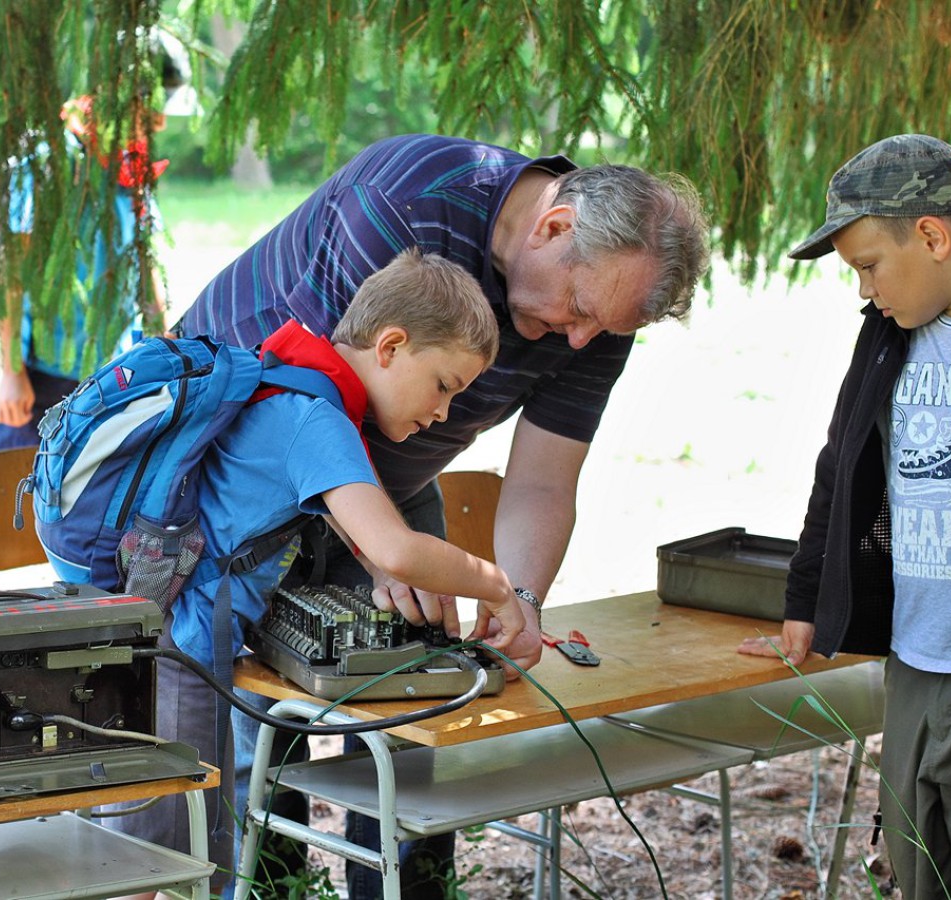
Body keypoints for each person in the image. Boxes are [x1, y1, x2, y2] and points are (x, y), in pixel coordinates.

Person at [178, 132, 710, 898]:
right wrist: (390, 554)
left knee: (417, 696)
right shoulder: (408, 202)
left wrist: (518, 600)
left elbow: (541, 482)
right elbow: (312, 402)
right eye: (579, 310)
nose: (581, 339)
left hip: (388, 483)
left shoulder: (598, 316)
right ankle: (265, 887)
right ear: (553, 227)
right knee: (261, 718)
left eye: (603, 329)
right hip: (247, 480)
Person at [111, 247, 527, 899]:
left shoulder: (296, 382)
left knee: (176, 849)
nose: (444, 413)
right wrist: (497, 587)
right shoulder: (317, 420)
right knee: (161, 858)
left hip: (165, 633)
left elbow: (358, 538)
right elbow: (396, 549)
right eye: (444, 385)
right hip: (180, 649)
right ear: (391, 346)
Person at [737, 134, 951, 898]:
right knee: (914, 861)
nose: (863, 290)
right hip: (914, 658)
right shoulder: (886, 335)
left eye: (867, 266)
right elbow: (841, 465)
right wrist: (804, 601)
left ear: (930, 236)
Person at [0, 30, 195, 593]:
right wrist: (11, 371)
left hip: (111, 375)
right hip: (43, 374)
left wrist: (167, 344)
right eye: (150, 108)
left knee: (97, 512)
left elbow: (143, 263)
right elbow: (12, 272)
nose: (159, 122)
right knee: (3, 513)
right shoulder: (49, 166)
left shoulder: (130, 172)